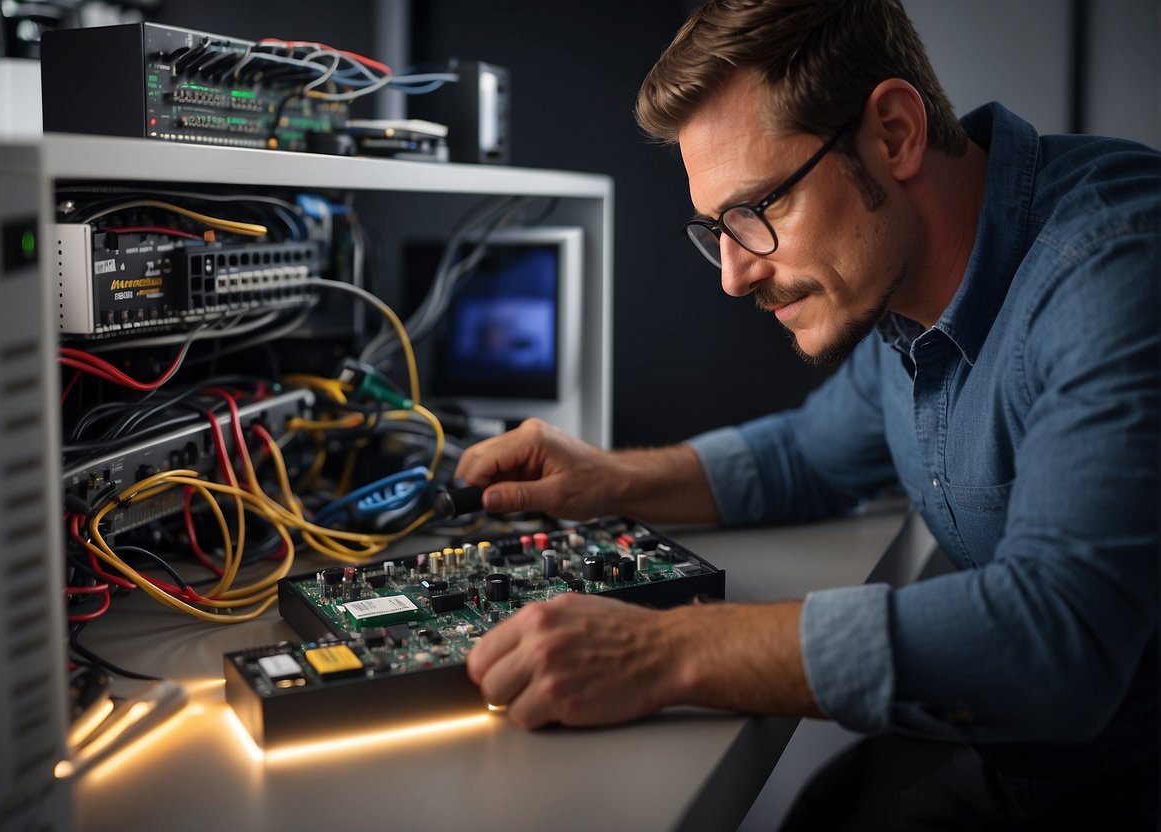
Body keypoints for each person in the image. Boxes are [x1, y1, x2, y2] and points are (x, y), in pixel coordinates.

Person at [456, 0, 1159, 828]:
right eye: (716, 228)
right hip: (1029, 760)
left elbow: (1057, 644)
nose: (732, 276)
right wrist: (609, 477)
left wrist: (664, 649)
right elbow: (807, 455)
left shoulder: (1114, 267)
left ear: (893, 133)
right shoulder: (904, 294)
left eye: (760, 210)